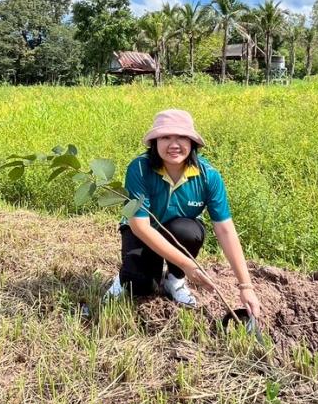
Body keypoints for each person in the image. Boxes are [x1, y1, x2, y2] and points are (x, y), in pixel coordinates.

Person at [106, 109, 260, 318]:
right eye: (166, 137)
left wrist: (245, 286)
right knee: (140, 286)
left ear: (192, 142)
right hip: (141, 230)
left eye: (181, 137)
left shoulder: (208, 176)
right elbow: (139, 226)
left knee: (189, 231)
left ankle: (174, 279)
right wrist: (188, 264)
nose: (174, 144)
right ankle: (127, 275)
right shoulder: (140, 169)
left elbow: (225, 230)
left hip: (177, 231)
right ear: (155, 142)